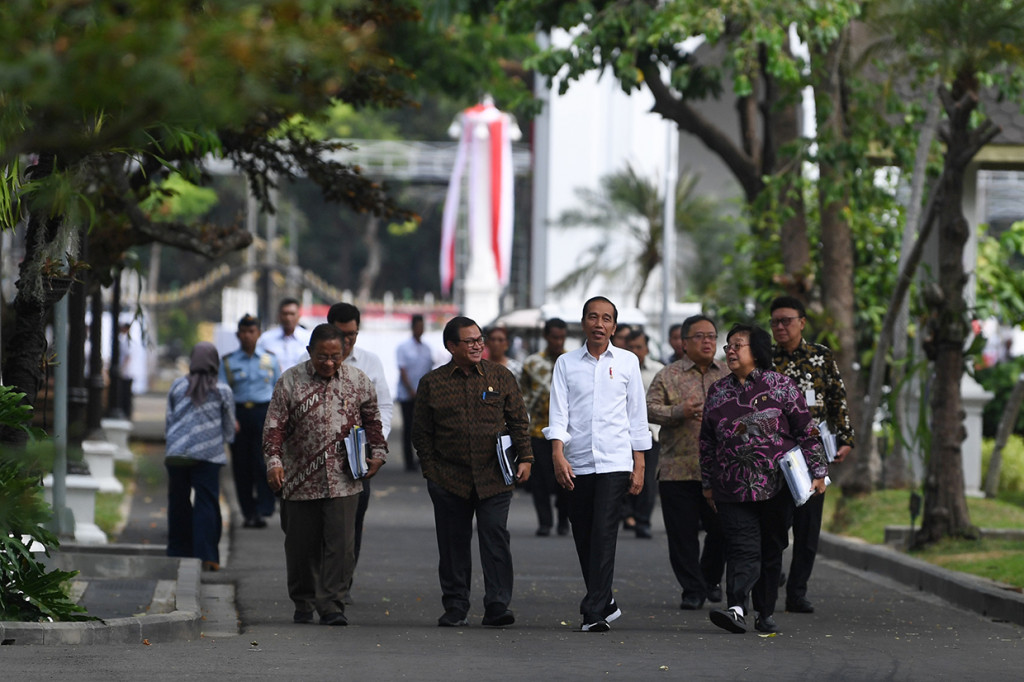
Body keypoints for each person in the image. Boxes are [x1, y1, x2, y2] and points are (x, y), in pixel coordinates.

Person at [700, 324, 827, 635]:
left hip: (776, 487)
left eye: (737, 345)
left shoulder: (782, 387)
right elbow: (707, 441)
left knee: (771, 547)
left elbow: (806, 431)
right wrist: (707, 482)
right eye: (728, 345)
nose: (729, 350)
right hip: (731, 485)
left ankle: (765, 612)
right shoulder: (717, 391)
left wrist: (819, 471)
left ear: (756, 351)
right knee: (741, 547)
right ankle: (737, 608)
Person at [412, 316, 533, 628]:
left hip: (494, 476)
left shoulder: (501, 376)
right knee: (453, 545)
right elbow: (421, 432)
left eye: (480, 339)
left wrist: (526, 458)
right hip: (449, 479)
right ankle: (455, 606)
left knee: (495, 537)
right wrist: (431, 472)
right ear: (452, 346)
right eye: (470, 341)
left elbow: (519, 420)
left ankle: (497, 605)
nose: (479, 345)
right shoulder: (432, 383)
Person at [263, 324, 387, 626]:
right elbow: (274, 426)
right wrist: (273, 462)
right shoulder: (290, 381)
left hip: (344, 479)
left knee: (341, 548)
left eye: (336, 356)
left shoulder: (359, 381)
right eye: (322, 357)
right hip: (299, 481)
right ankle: (303, 601)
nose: (330, 363)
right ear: (309, 352)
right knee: (301, 547)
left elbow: (373, 419)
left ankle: (332, 604)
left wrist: (378, 454)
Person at [545, 296, 651, 632]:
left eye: (606, 318)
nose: (599, 324)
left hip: (616, 461)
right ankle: (604, 598)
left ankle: (592, 611)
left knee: (604, 532)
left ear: (614, 327)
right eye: (593, 317)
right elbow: (558, 413)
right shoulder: (565, 363)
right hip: (578, 461)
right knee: (583, 532)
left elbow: (637, 415)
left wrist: (640, 464)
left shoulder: (627, 363)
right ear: (583, 323)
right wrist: (557, 453)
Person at [769, 296, 854, 614]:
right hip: (773, 454)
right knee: (774, 523)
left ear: (802, 322)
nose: (780, 327)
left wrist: (845, 437)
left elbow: (837, 397)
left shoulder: (820, 357)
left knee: (807, 527)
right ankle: (768, 578)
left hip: (812, 454)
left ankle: (797, 592)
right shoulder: (765, 358)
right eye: (775, 321)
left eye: (786, 320)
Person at [647, 315, 728, 609]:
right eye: (700, 336)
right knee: (682, 537)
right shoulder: (667, 375)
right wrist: (678, 411)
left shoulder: (728, 374)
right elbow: (647, 409)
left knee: (721, 531)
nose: (707, 341)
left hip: (720, 470)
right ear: (684, 343)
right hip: (677, 468)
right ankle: (692, 590)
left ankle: (708, 579)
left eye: (711, 336)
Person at [326, 302, 393, 569]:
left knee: (353, 519)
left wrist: (377, 445)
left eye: (351, 335)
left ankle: (342, 582)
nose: (346, 341)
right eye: (340, 334)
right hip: (319, 457)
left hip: (358, 455)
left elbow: (384, 406)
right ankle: (320, 580)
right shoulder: (307, 363)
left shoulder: (370, 362)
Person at [165, 342, 235, 572]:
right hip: (208, 454)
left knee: (178, 503)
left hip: (177, 454)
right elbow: (228, 426)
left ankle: (178, 552)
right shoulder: (222, 390)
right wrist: (224, 440)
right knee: (206, 503)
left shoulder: (177, 386)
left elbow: (169, 418)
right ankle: (207, 557)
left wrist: (174, 443)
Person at [221, 314, 281, 528]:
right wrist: (229, 419)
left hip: (263, 413)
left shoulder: (270, 359)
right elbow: (223, 393)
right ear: (238, 335)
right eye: (244, 332)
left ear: (258, 334)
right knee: (241, 465)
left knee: (262, 461)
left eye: (252, 332)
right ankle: (248, 511)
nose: (247, 336)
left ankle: (264, 507)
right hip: (238, 415)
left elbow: (277, 392)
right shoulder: (228, 361)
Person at [519, 317, 570, 537]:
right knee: (539, 479)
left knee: (566, 479)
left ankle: (563, 521)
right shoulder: (532, 363)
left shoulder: (572, 361)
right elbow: (523, 395)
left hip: (566, 432)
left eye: (562, 337)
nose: (558, 341)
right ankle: (545, 522)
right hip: (538, 429)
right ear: (546, 337)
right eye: (554, 337)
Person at [623, 329, 664, 538]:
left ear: (646, 348)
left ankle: (643, 520)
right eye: (631, 347)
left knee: (647, 479)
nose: (635, 351)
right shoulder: (618, 368)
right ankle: (626, 514)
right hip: (623, 434)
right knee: (622, 476)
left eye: (639, 347)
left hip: (651, 433)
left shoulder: (659, 371)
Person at [396, 313, 435, 472]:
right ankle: (408, 460)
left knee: (424, 427)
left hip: (423, 395)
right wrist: (411, 390)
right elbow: (402, 370)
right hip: (408, 395)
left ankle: (422, 458)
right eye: (418, 326)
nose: (420, 329)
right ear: (412, 327)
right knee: (408, 428)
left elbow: (429, 371)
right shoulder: (403, 347)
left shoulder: (427, 349)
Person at [260, 298, 312, 372]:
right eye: (285, 314)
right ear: (279, 316)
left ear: (299, 315)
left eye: (292, 314)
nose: (288, 318)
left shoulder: (308, 338)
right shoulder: (266, 339)